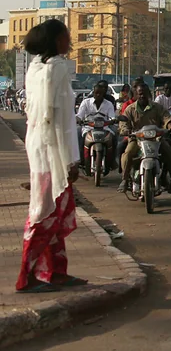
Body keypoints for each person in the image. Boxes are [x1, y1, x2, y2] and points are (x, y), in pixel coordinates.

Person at [16, 19, 87, 293]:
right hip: (51, 150)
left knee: (53, 213)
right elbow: (55, 118)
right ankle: (27, 274)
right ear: (57, 40)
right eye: (67, 35)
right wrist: (69, 160)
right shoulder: (56, 68)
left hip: (38, 146)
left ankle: (56, 271)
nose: (70, 39)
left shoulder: (35, 67)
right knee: (44, 213)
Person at [117, 83, 171, 194]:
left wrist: (170, 125)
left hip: (157, 140)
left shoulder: (157, 107)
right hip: (137, 140)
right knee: (127, 154)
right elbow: (123, 122)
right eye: (140, 94)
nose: (142, 96)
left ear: (149, 94)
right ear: (136, 94)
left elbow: (166, 117)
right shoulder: (130, 109)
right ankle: (125, 180)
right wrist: (125, 130)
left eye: (144, 94)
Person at [76, 81, 117, 174]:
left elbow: (112, 116)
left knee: (114, 135)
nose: (98, 95)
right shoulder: (86, 102)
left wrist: (113, 120)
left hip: (104, 127)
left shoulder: (108, 104)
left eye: (100, 93)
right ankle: (80, 159)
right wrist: (78, 119)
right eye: (96, 93)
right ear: (93, 93)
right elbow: (80, 115)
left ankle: (112, 160)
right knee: (78, 134)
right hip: (88, 127)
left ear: (104, 94)